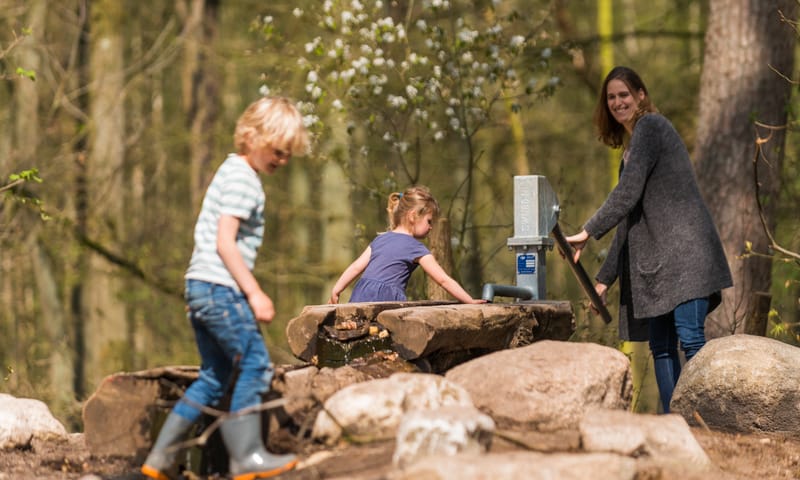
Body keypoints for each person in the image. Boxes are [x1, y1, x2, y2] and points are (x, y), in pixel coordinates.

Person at [141, 96, 310, 480]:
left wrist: (206, 294)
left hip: (201, 286)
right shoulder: (244, 181)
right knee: (256, 365)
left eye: (288, 154)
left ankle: (161, 458)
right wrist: (254, 292)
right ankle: (246, 457)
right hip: (220, 288)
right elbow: (225, 242)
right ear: (251, 136)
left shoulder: (229, 170)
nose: (283, 160)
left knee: (214, 377)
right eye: (278, 151)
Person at [564, 66, 732, 414]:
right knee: (662, 347)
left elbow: (626, 195)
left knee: (691, 339)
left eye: (624, 94)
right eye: (611, 97)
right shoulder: (630, 152)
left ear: (641, 95)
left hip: (687, 256)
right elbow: (629, 217)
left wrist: (588, 230)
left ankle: (707, 421)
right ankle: (673, 420)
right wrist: (604, 279)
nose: (617, 102)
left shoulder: (651, 127)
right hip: (660, 266)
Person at [329, 185, 486, 305]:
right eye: (429, 221)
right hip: (385, 300)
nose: (431, 227)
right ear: (413, 216)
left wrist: (337, 289)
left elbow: (356, 267)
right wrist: (469, 301)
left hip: (360, 294)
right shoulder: (415, 248)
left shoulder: (380, 239)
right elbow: (443, 280)